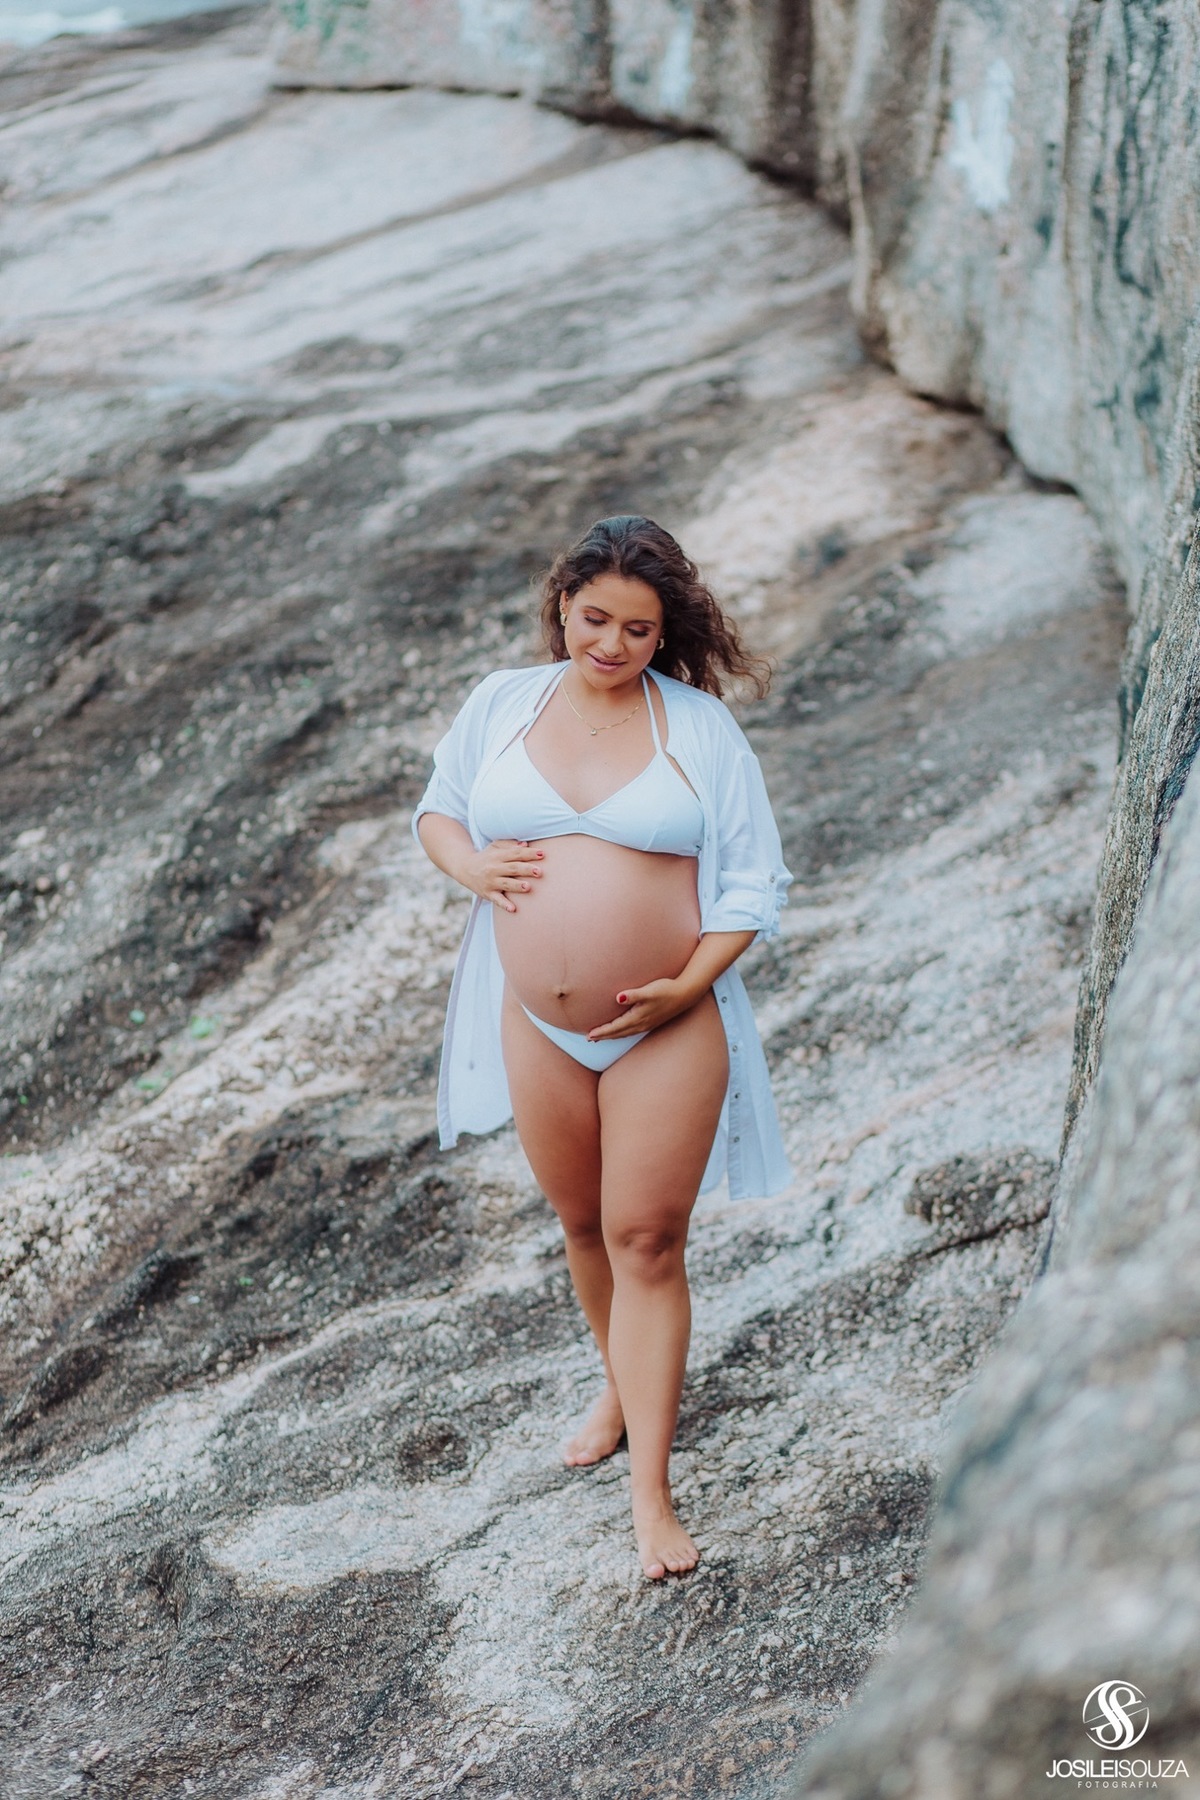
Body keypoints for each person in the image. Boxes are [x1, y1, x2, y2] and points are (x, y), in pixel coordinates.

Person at [413, 515, 792, 1579]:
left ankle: (652, 1495)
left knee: (647, 1241)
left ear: (664, 633)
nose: (611, 645)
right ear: (562, 606)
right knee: (582, 1224)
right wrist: (472, 871)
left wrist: (686, 987)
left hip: (663, 1025)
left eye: (637, 629)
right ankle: (619, 1382)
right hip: (534, 1022)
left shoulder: (699, 730)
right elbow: (440, 813)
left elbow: (757, 885)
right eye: (594, 619)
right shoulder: (501, 703)